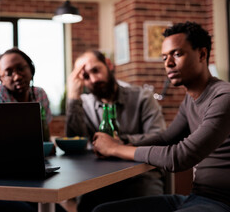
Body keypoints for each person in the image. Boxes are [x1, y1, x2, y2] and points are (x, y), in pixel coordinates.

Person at [93, 21, 230, 212]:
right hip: (196, 198)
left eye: (177, 54)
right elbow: (166, 139)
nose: (169, 64)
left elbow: (180, 156)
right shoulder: (190, 99)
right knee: (102, 210)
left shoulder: (224, 97)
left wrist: (116, 149)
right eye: (164, 57)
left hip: (222, 202)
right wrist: (121, 142)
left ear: (202, 54)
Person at [66, 49, 167, 212]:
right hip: (97, 179)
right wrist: (72, 97)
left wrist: (119, 143)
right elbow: (76, 142)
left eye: (96, 70)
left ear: (108, 65)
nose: (93, 79)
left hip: (140, 176)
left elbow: (159, 136)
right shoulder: (82, 105)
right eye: (85, 76)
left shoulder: (142, 97)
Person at [0, 47, 52, 137]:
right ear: (1, 80)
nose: (17, 77)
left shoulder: (39, 94)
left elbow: (45, 134)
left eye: (21, 68)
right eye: (8, 73)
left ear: (31, 70)